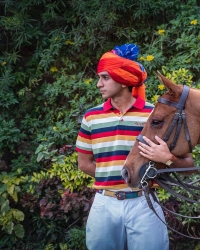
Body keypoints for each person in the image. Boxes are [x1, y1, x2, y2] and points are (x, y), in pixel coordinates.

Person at [75, 44, 194, 250]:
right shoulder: (91, 117)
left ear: (123, 80)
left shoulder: (155, 115)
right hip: (104, 204)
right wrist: (116, 177)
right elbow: (84, 163)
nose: (98, 84)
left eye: (105, 77)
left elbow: (189, 166)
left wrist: (168, 158)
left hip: (144, 203)